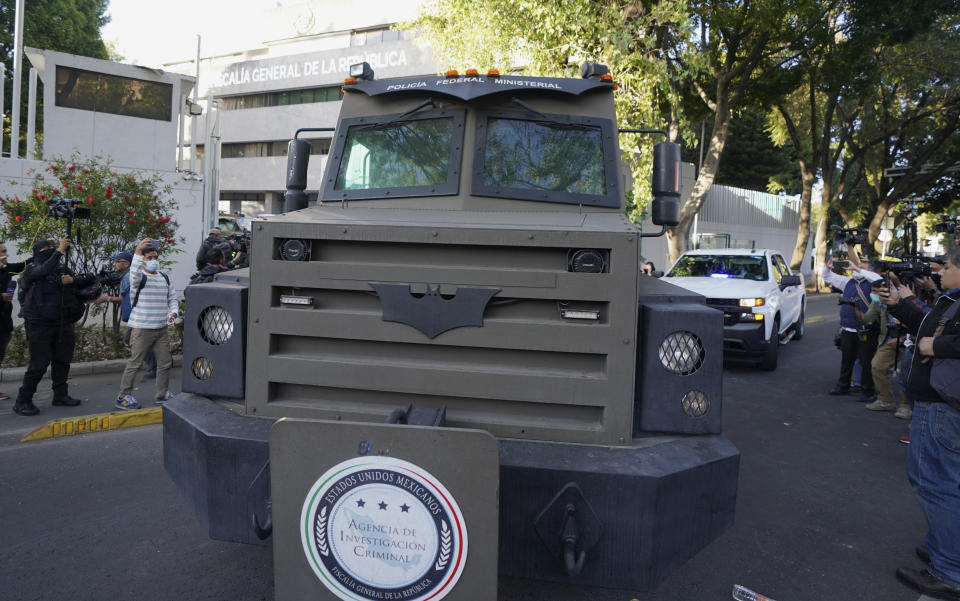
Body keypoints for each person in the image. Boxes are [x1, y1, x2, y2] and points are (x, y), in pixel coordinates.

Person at [879, 247, 960, 600]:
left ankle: (949, 571)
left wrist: (934, 345)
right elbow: (927, 325)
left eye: (947, 265)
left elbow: (934, 338)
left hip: (943, 407)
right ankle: (944, 547)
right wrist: (900, 304)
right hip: (938, 405)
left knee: (937, 485)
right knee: (942, 483)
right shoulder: (953, 299)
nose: (939, 271)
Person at [13, 237, 84, 416]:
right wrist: (60, 250)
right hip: (39, 324)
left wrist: (72, 281)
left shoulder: (60, 267)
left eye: (54, 247)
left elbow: (77, 282)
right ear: (39, 252)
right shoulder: (31, 268)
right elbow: (42, 271)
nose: (52, 249)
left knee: (63, 360)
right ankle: (23, 400)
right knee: (39, 364)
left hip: (62, 322)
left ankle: (60, 395)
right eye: (48, 248)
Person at [116, 239, 178, 410]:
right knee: (134, 363)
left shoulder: (164, 277)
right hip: (142, 328)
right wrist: (137, 250)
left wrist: (173, 312)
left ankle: (162, 393)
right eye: (149, 258)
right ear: (142, 260)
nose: (153, 260)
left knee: (165, 363)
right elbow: (134, 271)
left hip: (161, 328)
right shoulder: (137, 279)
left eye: (155, 257)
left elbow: (172, 298)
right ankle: (123, 396)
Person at [822, 256, 883, 398]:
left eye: (863, 266)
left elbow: (877, 278)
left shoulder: (873, 282)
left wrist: (857, 269)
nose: (859, 267)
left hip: (866, 329)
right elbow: (827, 276)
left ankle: (868, 391)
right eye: (858, 265)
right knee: (847, 359)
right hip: (848, 328)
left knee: (866, 361)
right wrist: (828, 267)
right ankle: (843, 386)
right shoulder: (848, 282)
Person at [95, 251, 158, 378]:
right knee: (142, 340)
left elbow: (125, 299)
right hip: (139, 314)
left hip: (136, 315)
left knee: (131, 339)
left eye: (117, 262)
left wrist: (106, 298)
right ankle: (159, 362)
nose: (115, 264)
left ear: (127, 263)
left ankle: (154, 367)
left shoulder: (128, 277)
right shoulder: (128, 276)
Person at [0, 242, 25, 400]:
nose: (6, 254)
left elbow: (22, 265)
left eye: (6, 251)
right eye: (3, 251)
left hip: (3, 322)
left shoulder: (6, 269)